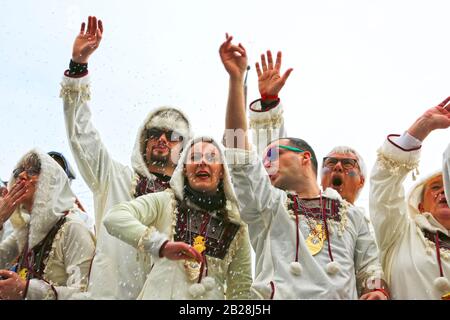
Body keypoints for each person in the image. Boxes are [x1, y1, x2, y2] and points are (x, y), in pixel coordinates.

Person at [220, 34, 387, 299]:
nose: (265, 163)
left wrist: (376, 291)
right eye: (262, 159)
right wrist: (236, 80)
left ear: (305, 158)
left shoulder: (353, 216)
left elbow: (369, 266)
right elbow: (238, 151)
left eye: (273, 154)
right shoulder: (269, 205)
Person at [60, 16, 193, 299]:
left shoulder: (190, 202)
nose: (161, 139)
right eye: (155, 132)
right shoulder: (114, 178)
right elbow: (81, 136)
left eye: (172, 135)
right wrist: (78, 67)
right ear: (142, 141)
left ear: (184, 147)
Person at [103, 137, 252, 299]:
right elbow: (115, 217)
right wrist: (160, 245)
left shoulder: (236, 225)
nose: (202, 162)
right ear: (184, 170)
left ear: (222, 171)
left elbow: (241, 291)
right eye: (194, 157)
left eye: (211, 157)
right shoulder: (165, 201)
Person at [249, 51, 366, 205]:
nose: (337, 167)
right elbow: (273, 155)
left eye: (347, 164)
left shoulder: (366, 227)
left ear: (361, 181)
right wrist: (268, 102)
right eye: (330, 163)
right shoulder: (292, 211)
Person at [370, 98, 450, 299]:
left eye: (447, 186)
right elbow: (384, 185)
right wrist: (422, 127)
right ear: (420, 205)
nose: (443, 192)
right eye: (435, 187)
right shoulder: (399, 233)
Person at [0, 150, 95, 299]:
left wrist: (26, 290)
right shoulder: (25, 233)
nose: (22, 176)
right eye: (19, 171)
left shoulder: (73, 229)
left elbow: (86, 294)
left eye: (33, 171)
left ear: (52, 182)